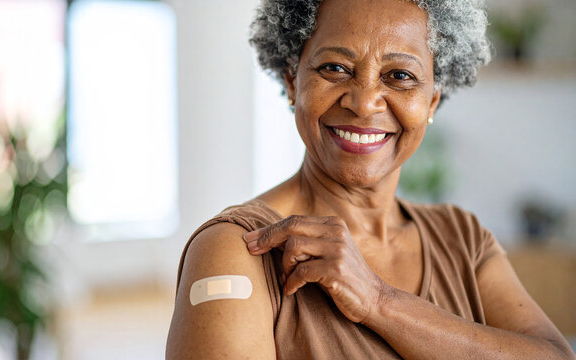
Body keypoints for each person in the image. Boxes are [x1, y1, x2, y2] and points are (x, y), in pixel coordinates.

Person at [166, 0, 576, 358]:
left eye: (400, 76)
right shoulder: (238, 249)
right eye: (334, 68)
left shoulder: (463, 240)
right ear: (293, 82)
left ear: (431, 100)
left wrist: (379, 302)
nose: (364, 103)